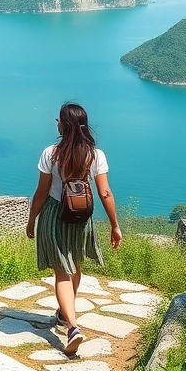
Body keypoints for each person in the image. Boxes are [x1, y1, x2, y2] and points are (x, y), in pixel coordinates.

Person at [26, 102, 122, 355]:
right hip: (82, 218)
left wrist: (31, 219)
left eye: (58, 119)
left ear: (63, 125)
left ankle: (72, 326)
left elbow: (42, 192)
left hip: (55, 215)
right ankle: (63, 314)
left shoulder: (51, 153)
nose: (55, 123)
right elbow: (105, 192)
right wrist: (115, 225)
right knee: (75, 264)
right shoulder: (95, 154)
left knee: (61, 273)